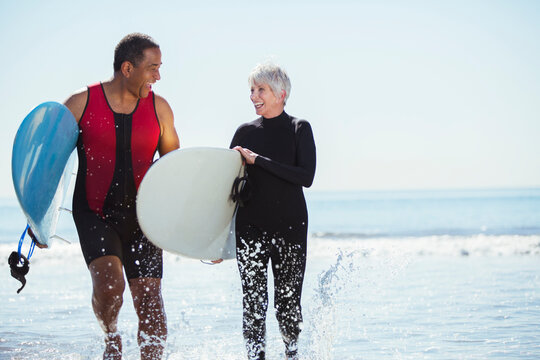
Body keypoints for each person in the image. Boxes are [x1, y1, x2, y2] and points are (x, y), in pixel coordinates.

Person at [33, 33, 179, 359]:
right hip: (95, 212)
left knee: (151, 304)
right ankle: (111, 335)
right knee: (111, 288)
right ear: (127, 68)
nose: (158, 76)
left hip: (145, 216)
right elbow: (48, 163)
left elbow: (174, 169)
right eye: (152, 68)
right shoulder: (80, 103)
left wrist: (195, 229)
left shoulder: (159, 109)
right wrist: (37, 219)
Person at [230, 63, 316, 360]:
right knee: (253, 302)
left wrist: (259, 161)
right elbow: (226, 187)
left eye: (260, 90)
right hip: (250, 227)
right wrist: (216, 237)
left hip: (289, 227)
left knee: (288, 302)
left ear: (281, 93)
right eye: (252, 90)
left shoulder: (299, 129)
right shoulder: (244, 132)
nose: (254, 96)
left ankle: (291, 354)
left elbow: (306, 176)